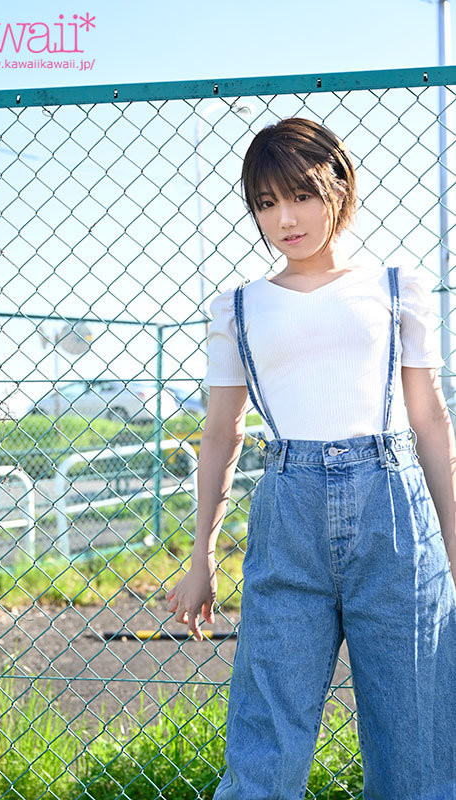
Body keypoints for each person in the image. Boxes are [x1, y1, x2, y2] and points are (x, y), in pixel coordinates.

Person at [165, 116, 456, 799]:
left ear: (338, 187)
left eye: (300, 195)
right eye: (267, 203)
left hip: (395, 515)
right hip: (287, 513)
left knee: (416, 748)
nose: (285, 219)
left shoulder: (396, 288)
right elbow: (222, 432)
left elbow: (429, 420)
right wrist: (202, 555)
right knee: (264, 748)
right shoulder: (239, 307)